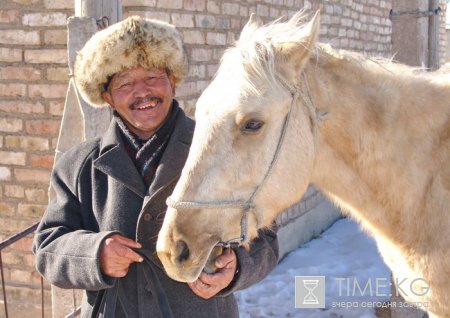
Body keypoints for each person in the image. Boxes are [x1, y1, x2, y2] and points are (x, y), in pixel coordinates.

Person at [32, 16, 278, 318]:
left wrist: (237, 266)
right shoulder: (78, 165)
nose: (142, 92)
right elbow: (47, 248)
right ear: (107, 97)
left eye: (152, 77)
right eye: (125, 83)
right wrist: (95, 254)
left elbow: (265, 238)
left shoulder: (223, 149)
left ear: (172, 81)